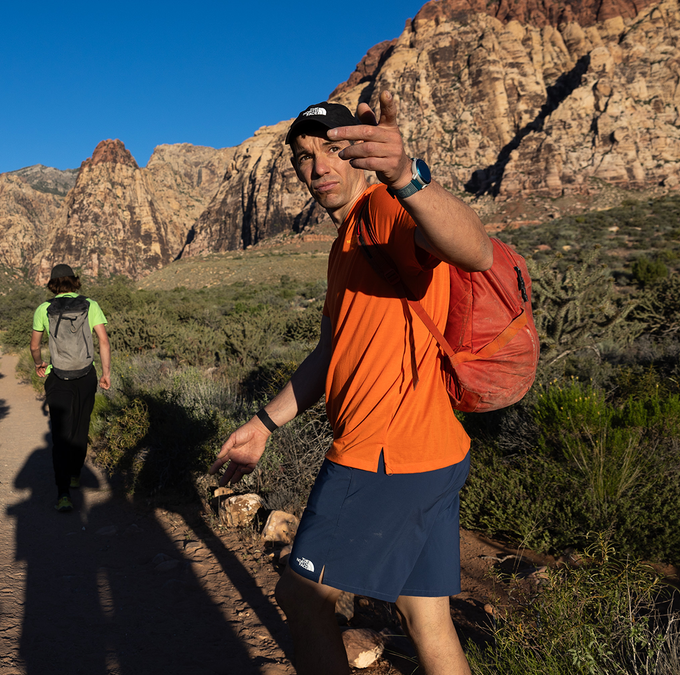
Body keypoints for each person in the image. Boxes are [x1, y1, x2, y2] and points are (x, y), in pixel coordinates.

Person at [208, 91, 492, 675]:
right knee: (426, 618)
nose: (318, 170)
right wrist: (263, 425)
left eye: (333, 152)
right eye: (304, 159)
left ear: (359, 154)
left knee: (300, 598)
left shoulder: (386, 211)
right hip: (435, 454)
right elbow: (333, 351)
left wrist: (407, 177)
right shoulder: (347, 240)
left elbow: (476, 250)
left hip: (382, 459)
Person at [30, 264, 112, 513]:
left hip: (58, 377)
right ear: (74, 282)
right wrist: (106, 373)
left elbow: (35, 345)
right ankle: (76, 474)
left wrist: (39, 363)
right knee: (80, 427)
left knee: (60, 436)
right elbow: (104, 341)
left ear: (53, 285)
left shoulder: (44, 309)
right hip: (86, 376)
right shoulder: (91, 305)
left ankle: (63, 494)